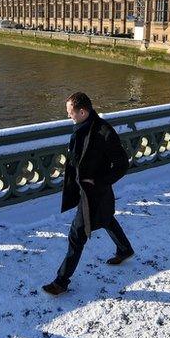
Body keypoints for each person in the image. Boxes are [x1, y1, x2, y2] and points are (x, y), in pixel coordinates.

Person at [42, 92, 134, 296]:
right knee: (107, 218)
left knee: (76, 235)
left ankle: (61, 281)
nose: (68, 117)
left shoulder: (104, 131)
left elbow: (121, 165)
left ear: (82, 111)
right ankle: (125, 249)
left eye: (70, 113)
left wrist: (99, 181)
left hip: (95, 192)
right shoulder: (82, 127)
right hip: (84, 189)